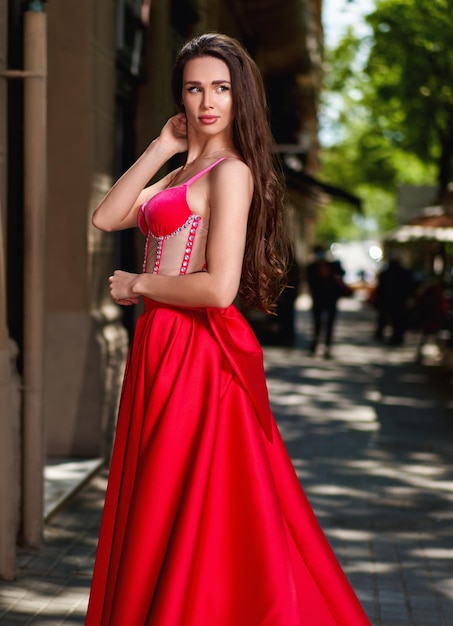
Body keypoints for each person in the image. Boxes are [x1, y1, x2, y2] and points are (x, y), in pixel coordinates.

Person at [85, 33, 371, 626]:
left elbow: (218, 287)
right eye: (194, 88)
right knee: (156, 500)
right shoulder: (183, 165)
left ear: (241, 97)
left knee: (186, 500)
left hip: (196, 352)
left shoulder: (231, 172)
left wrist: (138, 285)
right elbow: (107, 216)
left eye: (221, 88)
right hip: (160, 346)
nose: (207, 101)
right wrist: (163, 144)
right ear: (180, 98)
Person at [306, 246, 350, 358]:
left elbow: (342, 273)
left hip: (330, 298)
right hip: (319, 298)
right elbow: (309, 281)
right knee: (317, 323)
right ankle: (316, 344)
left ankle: (327, 346)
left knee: (329, 323)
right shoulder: (312, 267)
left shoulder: (333, 265)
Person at [373, 256, 413, 345]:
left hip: (389, 299)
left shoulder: (386, 273)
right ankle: (397, 337)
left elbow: (380, 288)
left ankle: (382, 335)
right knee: (397, 319)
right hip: (398, 300)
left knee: (386, 318)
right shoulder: (404, 273)